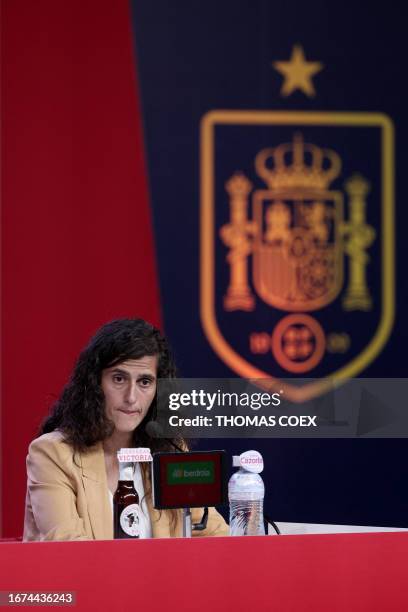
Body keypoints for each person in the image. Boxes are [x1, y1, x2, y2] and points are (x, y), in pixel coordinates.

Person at [23, 318, 228, 541]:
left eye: (145, 382)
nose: (131, 397)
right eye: (119, 379)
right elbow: (70, 551)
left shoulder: (170, 450)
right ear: (94, 383)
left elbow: (213, 534)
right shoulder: (52, 454)